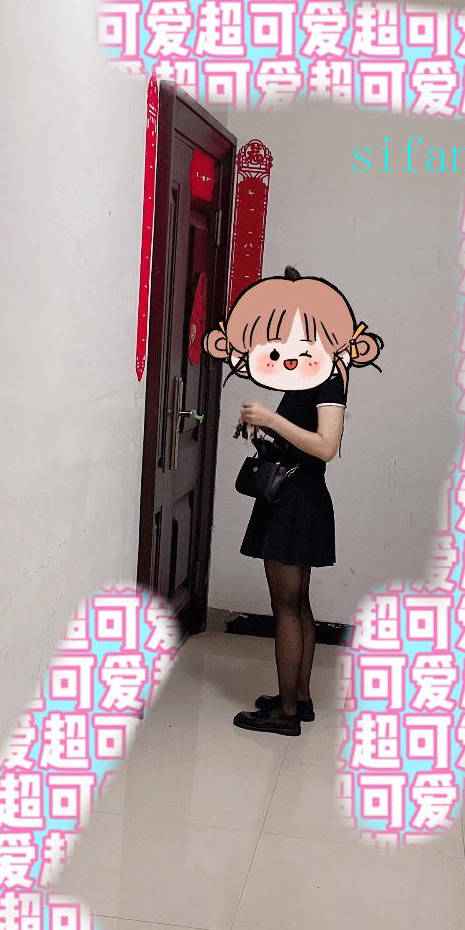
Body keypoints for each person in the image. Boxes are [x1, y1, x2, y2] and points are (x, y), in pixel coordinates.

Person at [203, 267, 383, 736]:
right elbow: (303, 442)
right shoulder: (312, 375)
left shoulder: (327, 380)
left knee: (286, 607)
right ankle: (297, 699)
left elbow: (326, 446)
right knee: (297, 604)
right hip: (297, 498)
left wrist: (271, 419)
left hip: (295, 503)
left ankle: (284, 714)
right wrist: (265, 429)